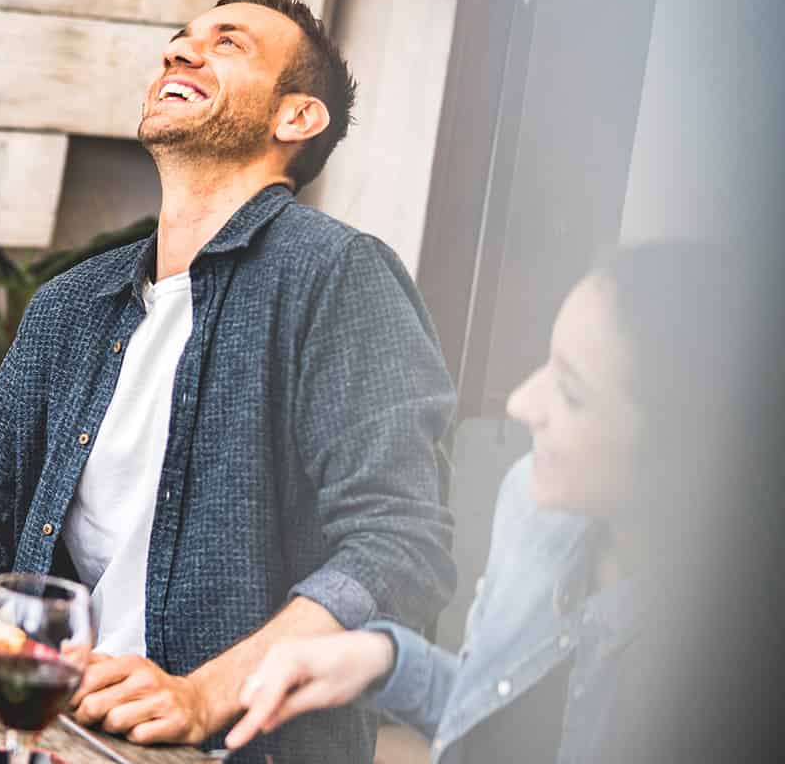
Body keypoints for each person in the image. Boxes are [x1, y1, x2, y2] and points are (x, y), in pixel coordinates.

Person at [0, 0, 457, 761]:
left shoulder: (336, 276)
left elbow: (400, 547)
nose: (179, 51)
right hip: (50, 726)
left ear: (295, 118)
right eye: (179, 38)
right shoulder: (73, 306)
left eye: (227, 43)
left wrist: (207, 693)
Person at [226, 245, 757, 762]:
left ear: (683, 455)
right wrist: (383, 660)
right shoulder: (532, 505)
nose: (523, 403)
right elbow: (498, 707)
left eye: (572, 394)